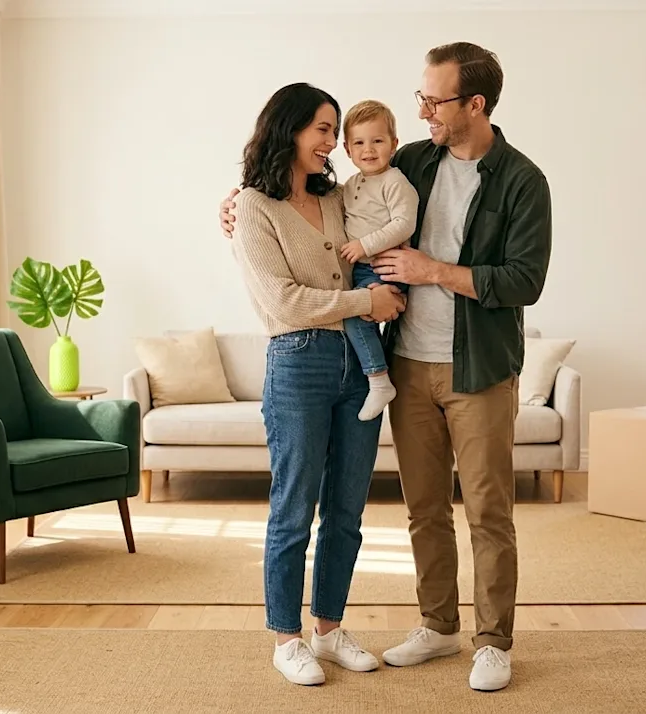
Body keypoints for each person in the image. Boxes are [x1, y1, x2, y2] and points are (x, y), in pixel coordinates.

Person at [218, 43, 552, 692]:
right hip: (396, 362)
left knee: (484, 510)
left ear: (474, 104)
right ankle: (435, 625)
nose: (422, 109)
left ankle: (491, 642)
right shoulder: (412, 162)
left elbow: (525, 279)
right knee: (420, 509)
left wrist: (433, 273)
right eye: (421, 98)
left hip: (475, 366)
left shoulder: (521, 179)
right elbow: (317, 210)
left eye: (435, 99)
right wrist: (233, 204)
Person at [227, 82, 407, 686]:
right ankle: (287, 637)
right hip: (299, 361)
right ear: (289, 128)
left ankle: (328, 629)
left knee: (348, 509)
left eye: (336, 131)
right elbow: (283, 299)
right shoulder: (253, 206)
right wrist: (365, 300)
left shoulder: (337, 198)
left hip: (361, 366)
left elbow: (391, 211)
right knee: (294, 506)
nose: (332, 143)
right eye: (323, 129)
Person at [335, 100, 419, 421]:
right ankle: (376, 374)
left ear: (394, 144)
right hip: (359, 268)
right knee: (359, 318)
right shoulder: (351, 185)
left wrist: (364, 245)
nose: (368, 150)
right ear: (347, 149)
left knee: (356, 315)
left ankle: (379, 380)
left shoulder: (395, 182)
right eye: (359, 142)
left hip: (382, 266)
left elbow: (403, 223)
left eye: (378, 141)